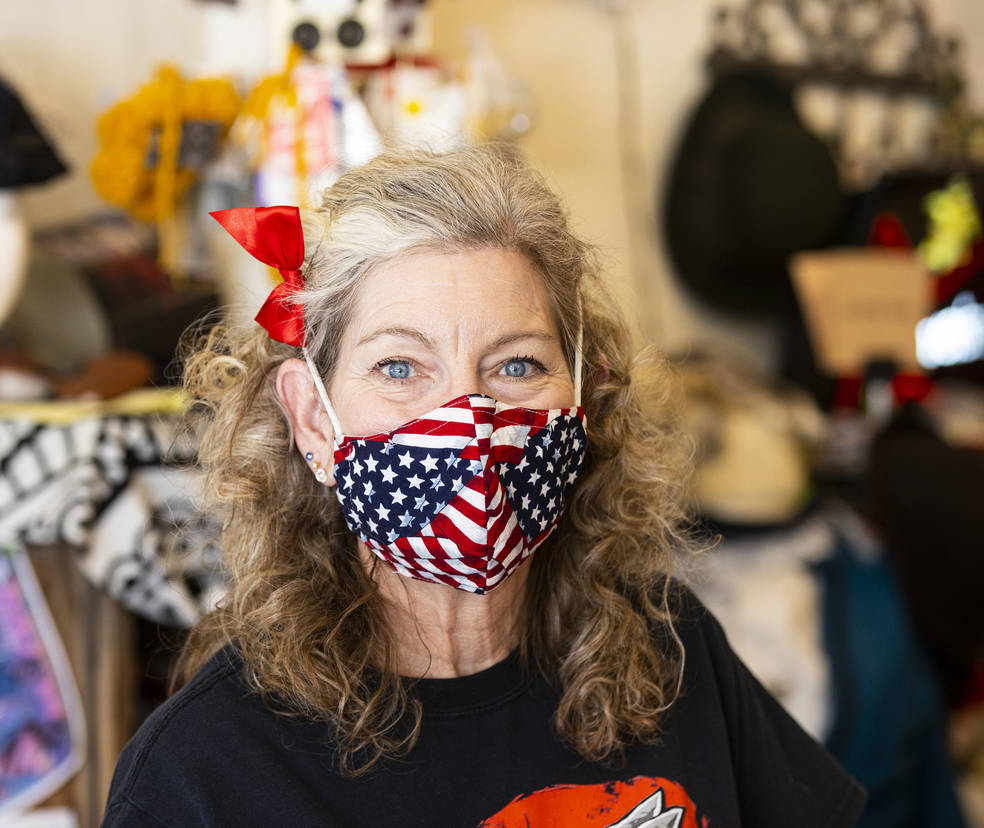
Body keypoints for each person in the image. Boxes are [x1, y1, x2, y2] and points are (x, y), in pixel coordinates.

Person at [102, 144, 866, 827]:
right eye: (400, 367)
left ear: (585, 401)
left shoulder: (669, 648)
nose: (468, 420)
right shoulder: (204, 775)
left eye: (518, 365)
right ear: (313, 419)